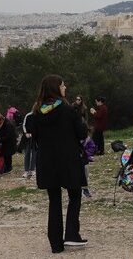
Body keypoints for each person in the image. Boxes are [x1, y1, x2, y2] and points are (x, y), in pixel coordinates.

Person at [31, 74, 87, 253]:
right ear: (56, 88)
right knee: (75, 195)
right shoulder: (68, 109)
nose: (65, 88)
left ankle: (55, 244)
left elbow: (35, 137)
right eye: (63, 86)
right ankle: (72, 234)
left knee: (54, 200)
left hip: (47, 161)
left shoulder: (37, 111)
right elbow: (81, 133)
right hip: (68, 159)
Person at [21, 110, 37, 179]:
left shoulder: (40, 115)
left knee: (34, 153)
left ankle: (32, 169)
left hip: (36, 137)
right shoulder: (28, 115)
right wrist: (26, 133)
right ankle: (26, 170)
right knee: (27, 153)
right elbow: (24, 125)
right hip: (28, 137)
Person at [81, 133, 96, 198]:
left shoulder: (87, 138)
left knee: (85, 173)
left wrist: (85, 153)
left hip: (84, 159)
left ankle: (85, 189)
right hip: (73, 159)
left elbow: (92, 147)